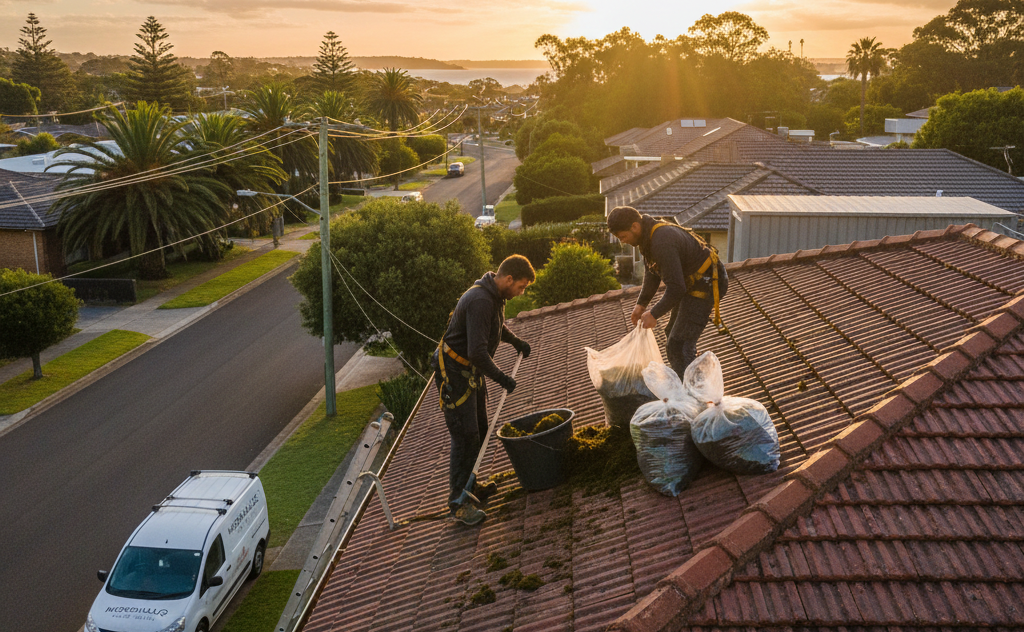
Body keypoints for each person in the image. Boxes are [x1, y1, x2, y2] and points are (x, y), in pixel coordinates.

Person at [431, 255, 535, 526]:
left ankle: (471, 486)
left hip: (470, 373)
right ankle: (458, 503)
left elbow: (494, 326)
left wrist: (516, 341)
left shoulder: (495, 296)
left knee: (479, 429)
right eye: (521, 287)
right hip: (455, 375)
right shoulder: (480, 300)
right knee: (465, 436)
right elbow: (477, 352)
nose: (521, 292)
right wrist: (501, 378)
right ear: (509, 279)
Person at [607, 205, 728, 377]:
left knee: (679, 344)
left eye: (623, 236)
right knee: (671, 333)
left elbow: (677, 288)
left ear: (634, 226)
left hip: (706, 284)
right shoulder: (647, 237)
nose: (623, 241)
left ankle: (695, 394)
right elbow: (652, 271)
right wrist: (641, 304)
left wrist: (654, 314)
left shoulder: (662, 241)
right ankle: (686, 381)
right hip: (690, 284)